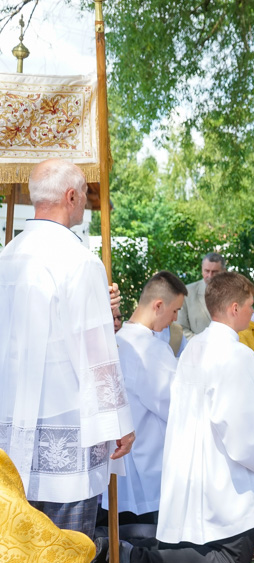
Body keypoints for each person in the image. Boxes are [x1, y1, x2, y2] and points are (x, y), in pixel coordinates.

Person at [88, 272, 254, 563]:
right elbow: (243, 437)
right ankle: (128, 558)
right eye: (251, 305)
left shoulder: (196, 346)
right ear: (234, 308)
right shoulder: (237, 354)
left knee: (188, 543)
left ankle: (122, 551)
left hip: (191, 457)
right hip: (222, 469)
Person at [0, 158, 135, 539]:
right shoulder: (79, 261)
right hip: (66, 425)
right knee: (66, 550)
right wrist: (119, 423)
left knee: (17, 551)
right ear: (70, 196)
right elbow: (95, 351)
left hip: (10, 428)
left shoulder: (6, 257)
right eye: (85, 195)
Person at [103, 271, 187, 525]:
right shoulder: (149, 348)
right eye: (174, 311)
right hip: (150, 466)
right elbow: (176, 405)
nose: (174, 319)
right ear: (158, 305)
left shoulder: (117, 339)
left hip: (125, 465)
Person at [177, 252, 225, 339]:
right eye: (206, 271)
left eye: (215, 272)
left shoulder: (233, 293)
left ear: (223, 271)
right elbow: (180, 328)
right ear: (202, 270)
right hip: (196, 349)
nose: (210, 276)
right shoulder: (187, 293)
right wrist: (201, 344)